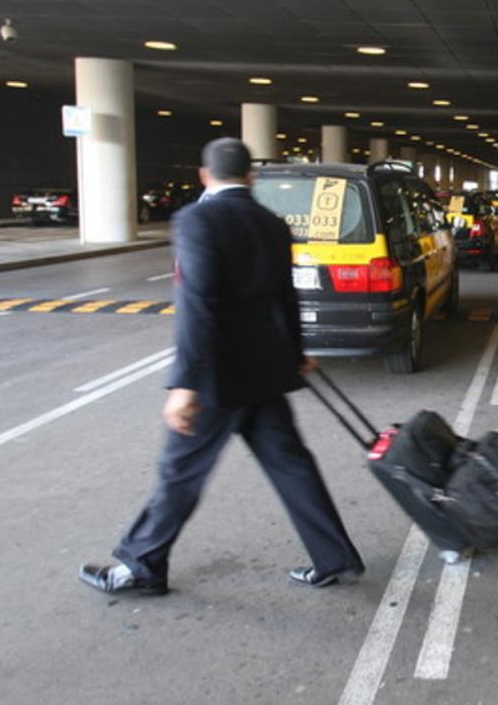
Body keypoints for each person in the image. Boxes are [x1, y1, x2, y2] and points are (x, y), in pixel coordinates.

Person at [79, 138, 363, 596]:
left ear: (204, 175)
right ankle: (335, 558)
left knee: (180, 473)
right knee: (293, 466)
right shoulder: (271, 223)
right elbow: (285, 296)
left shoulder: (196, 219)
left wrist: (186, 385)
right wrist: (295, 351)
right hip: (265, 372)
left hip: (219, 379)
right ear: (250, 176)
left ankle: (141, 565)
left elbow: (197, 303)